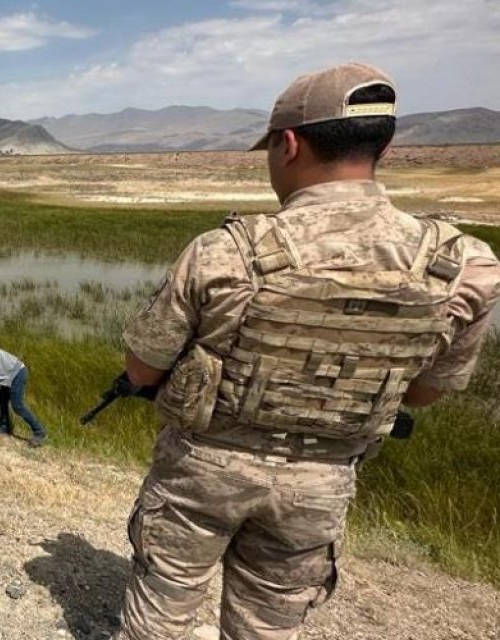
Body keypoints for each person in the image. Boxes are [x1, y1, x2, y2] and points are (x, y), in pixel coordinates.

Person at [111, 62, 500, 640]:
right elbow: (423, 392)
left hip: (201, 474)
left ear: (288, 144)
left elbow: (143, 367)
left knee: (161, 614)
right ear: (383, 145)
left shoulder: (225, 252)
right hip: (321, 484)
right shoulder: (462, 265)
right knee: (269, 625)